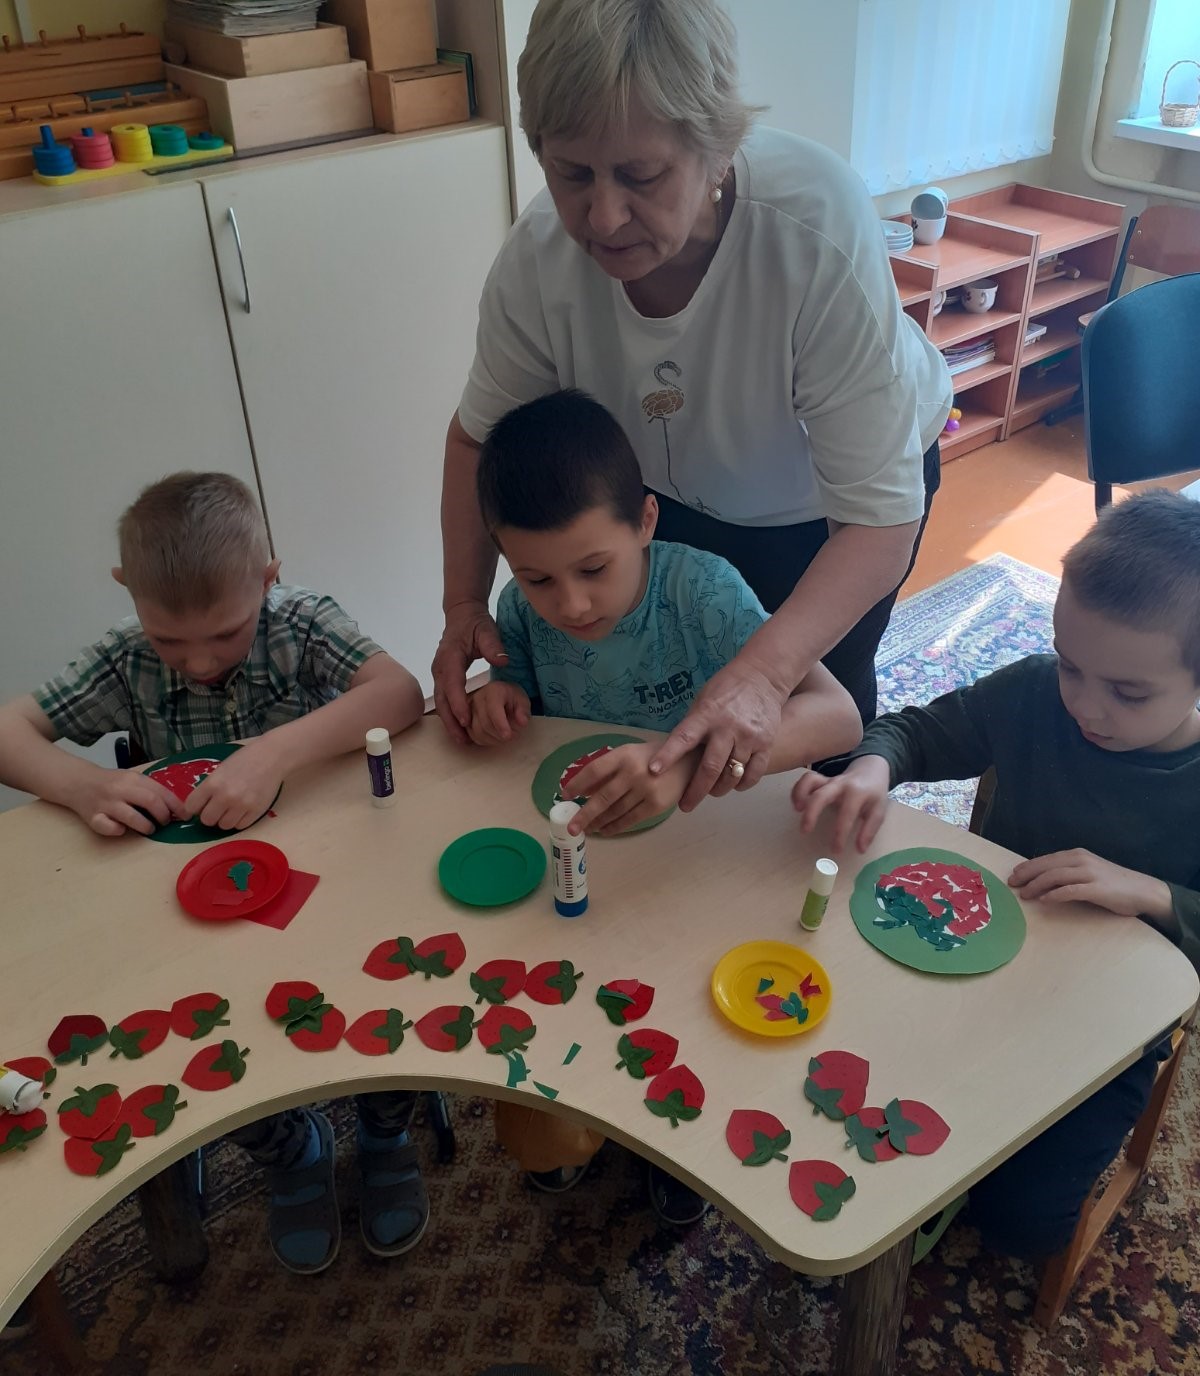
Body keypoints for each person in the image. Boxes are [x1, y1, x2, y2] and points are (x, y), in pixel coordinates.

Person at [434, 0, 952, 812]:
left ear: (717, 146)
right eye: (571, 173)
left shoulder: (813, 228)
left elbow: (878, 519)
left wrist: (763, 675)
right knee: (670, 690)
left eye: (641, 177)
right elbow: (479, 439)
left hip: (839, 512)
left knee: (797, 723)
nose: (603, 217)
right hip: (667, 485)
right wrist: (464, 606)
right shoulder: (537, 259)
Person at [0, 471, 429, 1276]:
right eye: (169, 641)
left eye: (227, 633)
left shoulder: (300, 622)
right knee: (199, 1029)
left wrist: (273, 753)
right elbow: (8, 730)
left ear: (268, 578)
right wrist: (82, 785)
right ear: (127, 591)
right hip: (205, 909)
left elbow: (400, 693)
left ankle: (385, 1130)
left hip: (332, 884)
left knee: (385, 986)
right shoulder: (125, 659)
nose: (197, 660)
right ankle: (291, 1149)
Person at [470, 388, 863, 1221]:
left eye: (593, 569)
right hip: (588, 862)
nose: (570, 605)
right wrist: (502, 692)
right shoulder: (518, 611)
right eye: (536, 578)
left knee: (697, 1017)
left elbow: (838, 717)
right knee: (562, 1023)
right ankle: (581, 1122)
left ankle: (681, 1143)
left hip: (702, 851)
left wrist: (679, 768)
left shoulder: (703, 593)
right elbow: (520, 689)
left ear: (646, 520)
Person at [792, 490, 1200, 1258]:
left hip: (1107, 1019)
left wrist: (1152, 895)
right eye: (1072, 665)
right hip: (980, 957)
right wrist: (873, 768)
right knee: (830, 1060)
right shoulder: (1036, 692)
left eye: (1129, 692)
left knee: (1021, 1227)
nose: (1086, 707)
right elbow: (915, 731)